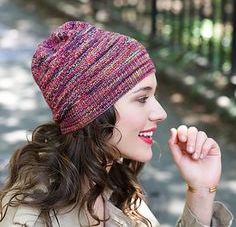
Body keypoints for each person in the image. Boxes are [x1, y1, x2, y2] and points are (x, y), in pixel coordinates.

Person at [0, 21, 233, 227]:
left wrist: (200, 191)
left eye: (154, 96)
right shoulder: (29, 220)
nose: (160, 113)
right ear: (92, 113)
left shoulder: (115, 186)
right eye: (142, 98)